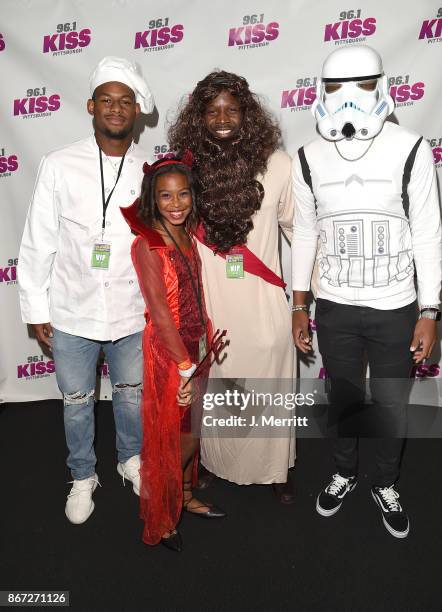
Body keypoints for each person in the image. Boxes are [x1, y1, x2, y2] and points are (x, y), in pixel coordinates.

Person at [292, 45, 441, 538]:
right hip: (334, 305)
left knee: (392, 402)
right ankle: (343, 471)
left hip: (397, 306)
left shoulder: (412, 148)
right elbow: (307, 233)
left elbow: (427, 233)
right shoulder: (308, 157)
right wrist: (299, 302)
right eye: (336, 88)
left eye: (361, 85)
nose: (349, 99)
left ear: (382, 86)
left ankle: (384, 480)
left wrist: (430, 309)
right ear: (320, 91)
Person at [18, 57, 154, 524]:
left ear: (136, 111)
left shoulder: (147, 170)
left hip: (132, 312)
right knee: (77, 404)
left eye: (126, 102)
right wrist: (36, 306)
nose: (116, 110)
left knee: (131, 395)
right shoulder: (59, 164)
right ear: (91, 106)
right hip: (72, 310)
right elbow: (38, 239)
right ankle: (81, 475)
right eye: (108, 101)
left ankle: (129, 459)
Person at [168, 71, 295, 500]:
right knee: (219, 384)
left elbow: (301, 231)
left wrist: (307, 298)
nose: (222, 118)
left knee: (270, 383)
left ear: (248, 114)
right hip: (212, 298)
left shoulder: (278, 165)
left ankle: (277, 471)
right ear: (199, 117)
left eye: (232, 109)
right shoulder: (188, 168)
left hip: (261, 300)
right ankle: (217, 463)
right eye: (212, 110)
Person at [121, 154, 226, 552]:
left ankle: (185, 495)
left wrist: (198, 357)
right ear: (153, 198)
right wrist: (183, 369)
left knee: (193, 429)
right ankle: (162, 518)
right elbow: (161, 315)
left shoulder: (187, 233)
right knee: (172, 440)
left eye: (183, 194)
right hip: (171, 355)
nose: (176, 203)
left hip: (198, 346)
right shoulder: (147, 243)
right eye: (166, 196)